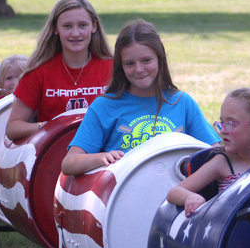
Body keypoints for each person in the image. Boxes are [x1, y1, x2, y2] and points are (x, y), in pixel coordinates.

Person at [61, 19, 219, 176]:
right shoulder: (104, 106)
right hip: (124, 197)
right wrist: (101, 158)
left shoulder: (182, 102)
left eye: (146, 60)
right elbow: (69, 163)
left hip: (178, 195)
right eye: (129, 63)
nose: (139, 69)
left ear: (160, 59)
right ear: (120, 67)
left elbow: (215, 153)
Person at [167, 88, 250, 217]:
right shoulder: (223, 163)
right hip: (233, 238)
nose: (223, 130)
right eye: (222, 122)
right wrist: (190, 197)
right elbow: (174, 192)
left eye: (231, 123)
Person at [5, 0, 114, 141]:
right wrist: (50, 126)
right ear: (55, 28)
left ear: (93, 26)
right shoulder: (39, 72)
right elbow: (13, 128)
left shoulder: (113, 69)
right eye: (67, 26)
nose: (75, 33)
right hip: (53, 153)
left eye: (82, 25)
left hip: (105, 155)